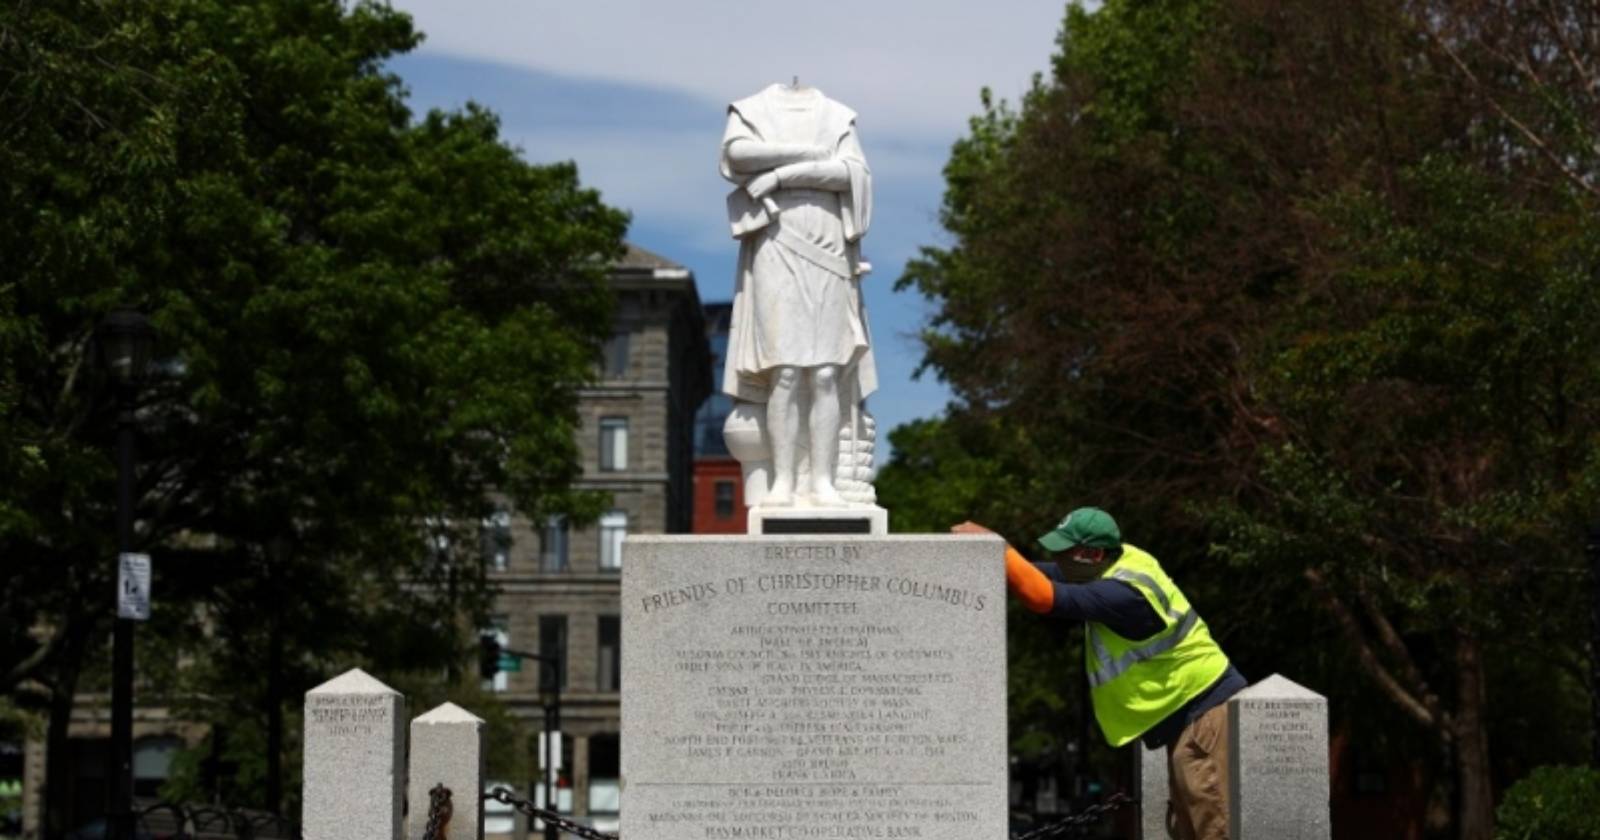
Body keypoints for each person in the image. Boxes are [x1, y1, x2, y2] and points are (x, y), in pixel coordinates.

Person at [953, 508, 1245, 840]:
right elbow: (1045, 575)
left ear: (1094, 554)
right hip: (1191, 716)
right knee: (1187, 829)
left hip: (1203, 718)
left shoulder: (1125, 595)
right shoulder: (1118, 562)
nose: (1058, 558)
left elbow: (1042, 596)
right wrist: (984, 561)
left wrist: (996, 546)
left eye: (1066, 551)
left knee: (1211, 828)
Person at [718, 82, 877, 507]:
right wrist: (809, 155)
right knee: (784, 373)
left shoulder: (838, 114)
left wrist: (780, 175)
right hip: (776, 239)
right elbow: (737, 155)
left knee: (825, 373)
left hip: (827, 243)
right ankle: (784, 481)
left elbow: (851, 173)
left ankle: (821, 481)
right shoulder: (751, 108)